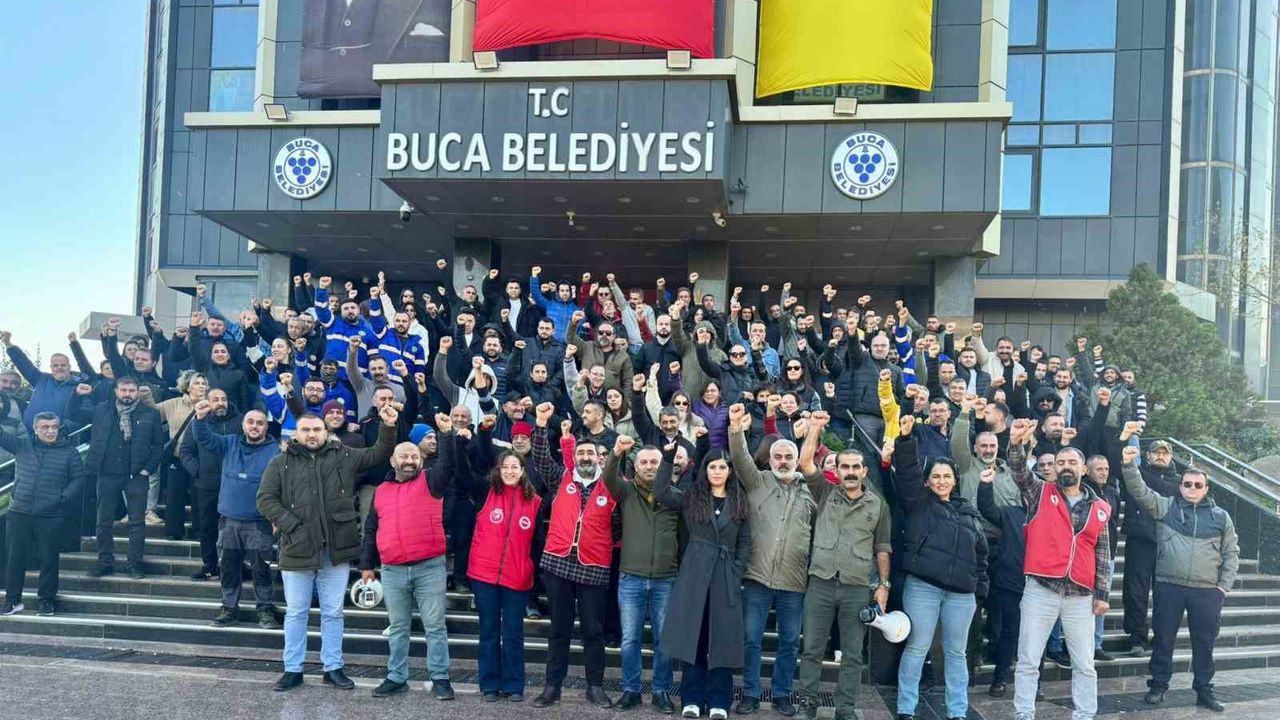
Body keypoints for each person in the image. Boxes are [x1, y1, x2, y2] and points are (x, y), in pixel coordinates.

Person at [256, 405, 398, 692]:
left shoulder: (342, 455)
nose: (312, 434)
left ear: (325, 431)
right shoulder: (280, 462)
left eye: (316, 429)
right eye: (306, 430)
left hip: (336, 549)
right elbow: (265, 499)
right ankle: (292, 669)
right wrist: (292, 525)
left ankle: (333, 667)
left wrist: (388, 426)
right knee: (296, 612)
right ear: (296, 434)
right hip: (297, 547)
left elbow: (378, 454)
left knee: (333, 612)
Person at [1006, 418, 1112, 720]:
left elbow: (1103, 552)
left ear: (1083, 469)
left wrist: (1102, 594)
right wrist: (1015, 443)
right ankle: (1024, 713)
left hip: (1080, 595)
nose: (1065, 466)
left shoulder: (1100, 508)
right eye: (1060, 462)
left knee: (1084, 663)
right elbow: (1019, 471)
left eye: (1071, 462)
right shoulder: (1039, 492)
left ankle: (1085, 714)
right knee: (1028, 659)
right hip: (1041, 589)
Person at [1119, 445, 1239, 712]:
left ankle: (1204, 690)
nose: (1192, 488)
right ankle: (1158, 685)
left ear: (1206, 488)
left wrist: (1223, 587)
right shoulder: (1166, 507)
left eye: (1198, 485)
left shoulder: (1221, 518)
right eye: (1187, 484)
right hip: (1169, 587)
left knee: (1204, 643)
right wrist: (1128, 465)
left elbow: (1231, 553)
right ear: (1180, 486)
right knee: (1163, 639)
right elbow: (1140, 491)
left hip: (1207, 591)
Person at [793, 411, 891, 720]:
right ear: (837, 470)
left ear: (864, 471)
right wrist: (814, 428)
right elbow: (805, 463)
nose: (849, 472)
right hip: (820, 582)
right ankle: (807, 702)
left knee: (852, 653)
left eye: (855, 467)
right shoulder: (825, 491)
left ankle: (845, 707)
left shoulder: (878, 505)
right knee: (812, 648)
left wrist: (883, 586)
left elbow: (882, 548)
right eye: (844, 466)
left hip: (856, 586)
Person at [890, 414, 988, 720]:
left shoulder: (969, 513)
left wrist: (979, 590)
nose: (941, 481)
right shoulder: (918, 502)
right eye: (936, 476)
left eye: (947, 476)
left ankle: (957, 711)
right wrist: (906, 440)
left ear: (955, 480)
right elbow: (907, 472)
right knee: (918, 646)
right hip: (924, 587)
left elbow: (982, 555)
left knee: (956, 653)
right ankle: (906, 708)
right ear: (927, 481)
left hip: (962, 594)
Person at [652, 422, 751, 720]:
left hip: (725, 575)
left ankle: (719, 700)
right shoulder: (692, 496)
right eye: (712, 467)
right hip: (695, 574)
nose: (717, 471)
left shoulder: (740, 501)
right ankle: (692, 698)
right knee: (693, 637)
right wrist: (667, 459)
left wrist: (736, 571)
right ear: (705, 470)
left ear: (730, 471)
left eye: (722, 467)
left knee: (722, 640)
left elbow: (745, 541)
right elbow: (661, 491)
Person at [727, 403, 815, 717]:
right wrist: (735, 427)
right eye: (778, 456)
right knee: (751, 639)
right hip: (757, 577)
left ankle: (781, 694)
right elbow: (740, 458)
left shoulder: (810, 491)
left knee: (789, 642)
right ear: (770, 459)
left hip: (794, 580)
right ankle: (751, 693)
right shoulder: (758, 481)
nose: (783, 461)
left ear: (797, 460)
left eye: (789, 456)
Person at [528, 403, 617, 709]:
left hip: (594, 565)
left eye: (590, 453)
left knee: (594, 630)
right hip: (558, 563)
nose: (585, 457)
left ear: (599, 458)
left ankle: (595, 686)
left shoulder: (612, 485)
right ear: (575, 457)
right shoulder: (561, 479)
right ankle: (552, 687)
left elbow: (619, 526)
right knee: (559, 629)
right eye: (581, 453)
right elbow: (541, 458)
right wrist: (541, 424)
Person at [359, 428, 457, 699]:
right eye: (403, 456)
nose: (409, 461)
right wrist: (366, 565)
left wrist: (446, 435)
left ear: (421, 460)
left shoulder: (431, 480)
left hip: (429, 567)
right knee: (398, 627)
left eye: (414, 456)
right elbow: (371, 529)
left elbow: (448, 463)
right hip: (392, 570)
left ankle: (440, 677)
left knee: (434, 626)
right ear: (393, 461)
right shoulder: (381, 491)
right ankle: (396, 677)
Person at [605, 435, 682, 714]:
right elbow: (609, 478)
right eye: (644, 462)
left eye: (655, 462)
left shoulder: (675, 497)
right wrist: (616, 453)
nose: (649, 466)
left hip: (666, 578)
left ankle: (661, 691)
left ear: (665, 466)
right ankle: (631, 690)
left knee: (664, 641)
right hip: (631, 577)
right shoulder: (626, 492)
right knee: (629, 639)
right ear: (635, 466)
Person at [191, 402, 282, 629]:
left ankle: (265, 609)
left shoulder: (277, 452)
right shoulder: (229, 443)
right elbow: (204, 438)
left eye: (259, 423)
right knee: (229, 567)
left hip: (260, 522)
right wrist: (200, 419)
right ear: (243, 425)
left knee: (261, 569)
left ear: (266, 427)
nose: (254, 426)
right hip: (229, 520)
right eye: (250, 422)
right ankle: (229, 608)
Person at [466, 445, 545, 702]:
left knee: (513, 633)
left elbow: (538, 544)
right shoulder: (485, 493)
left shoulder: (535, 502)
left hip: (517, 577)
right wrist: (454, 439)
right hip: (484, 575)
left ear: (523, 471)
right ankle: (489, 684)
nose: (510, 471)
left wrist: (530, 568)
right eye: (505, 467)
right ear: (498, 471)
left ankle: (514, 685)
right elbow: (463, 472)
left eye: (514, 467)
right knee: (489, 631)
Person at [68, 377, 166, 580]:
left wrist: (148, 469)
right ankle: (104, 562)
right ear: (116, 391)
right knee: (103, 520)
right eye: (123, 390)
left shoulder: (150, 413)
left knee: (137, 522)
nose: (127, 394)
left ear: (138, 392)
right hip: (107, 473)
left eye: (131, 390)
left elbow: (158, 444)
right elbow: (73, 413)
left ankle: (135, 564)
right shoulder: (101, 409)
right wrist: (76, 395)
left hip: (136, 475)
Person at [0, 412, 86, 616]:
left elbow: (79, 479)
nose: (50, 431)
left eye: (54, 427)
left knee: (49, 559)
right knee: (15, 558)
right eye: (45, 427)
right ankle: (12, 601)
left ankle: (46, 601)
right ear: (35, 429)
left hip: (50, 514)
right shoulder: (22, 445)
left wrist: (62, 499)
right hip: (19, 511)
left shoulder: (70, 452)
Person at [1120, 438, 1181, 656]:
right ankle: (1136, 637)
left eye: (1165, 453)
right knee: (1135, 590)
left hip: (1169, 543)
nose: (1160, 456)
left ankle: (1162, 636)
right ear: (1148, 455)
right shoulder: (1138, 474)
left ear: (1171, 456)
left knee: (1166, 594)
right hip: (1140, 539)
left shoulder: (1181, 482)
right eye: (1156, 452)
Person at [179, 387, 242, 580]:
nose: (221, 402)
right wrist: (198, 470)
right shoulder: (198, 422)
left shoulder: (240, 421)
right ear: (207, 401)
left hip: (235, 485)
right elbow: (185, 451)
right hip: (207, 484)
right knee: (207, 527)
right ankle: (210, 565)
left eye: (224, 398)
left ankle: (238, 565)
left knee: (236, 528)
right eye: (215, 399)